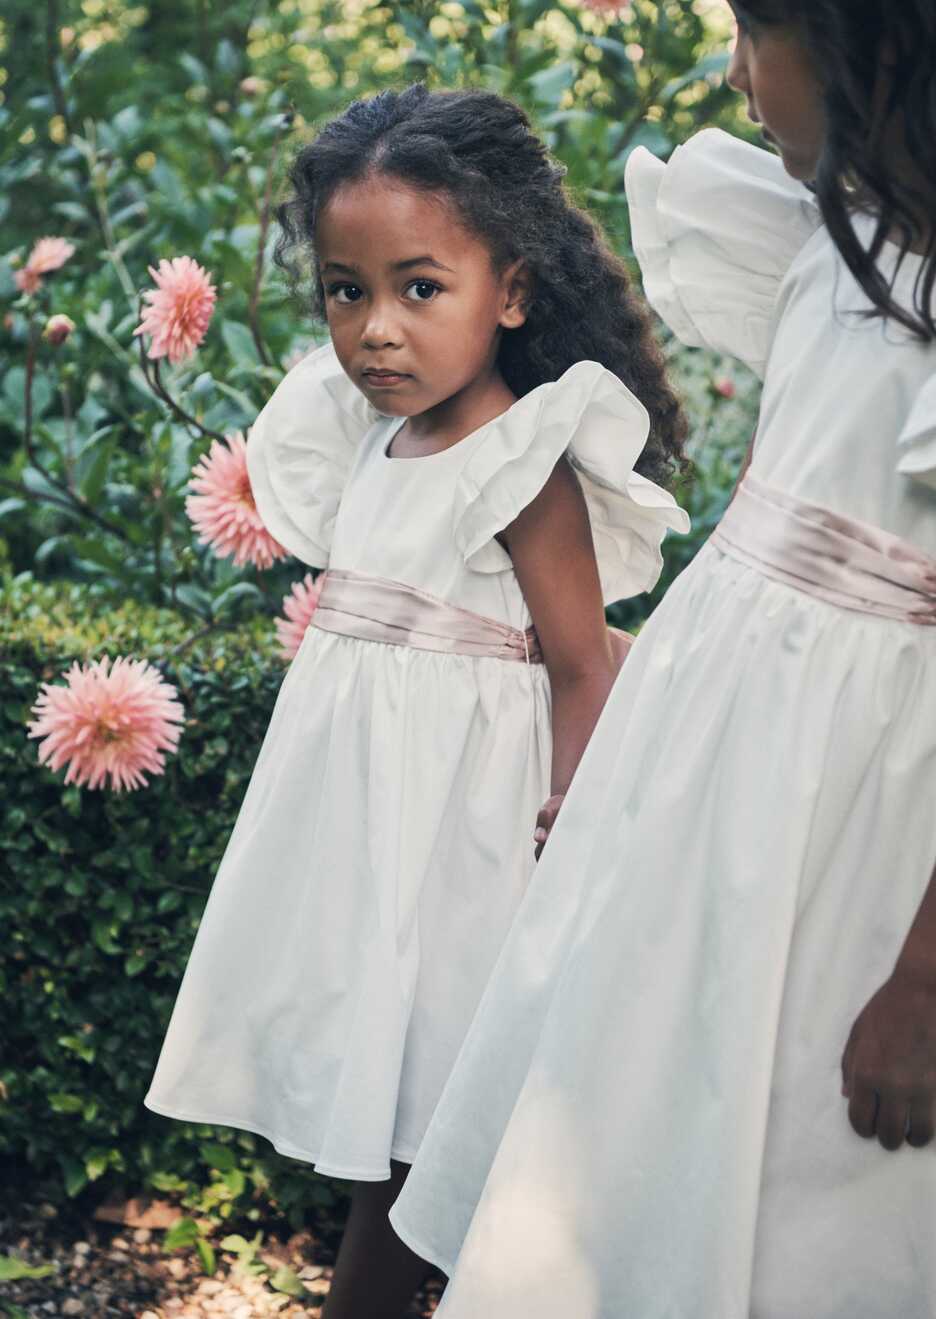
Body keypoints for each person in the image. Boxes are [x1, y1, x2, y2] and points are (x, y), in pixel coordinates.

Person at [389, 6, 936, 1316]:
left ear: (874, 45)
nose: (737, 71)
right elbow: (753, 564)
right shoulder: (839, 238)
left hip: (863, 829)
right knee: (622, 1118)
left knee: (797, 1176)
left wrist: (925, 974)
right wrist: (639, 778)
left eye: (759, 30)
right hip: (707, 803)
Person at [144, 84, 689, 1319]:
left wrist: (571, 824)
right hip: (373, 836)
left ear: (511, 289)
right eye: (349, 289)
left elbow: (581, 660)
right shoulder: (368, 442)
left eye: (418, 287)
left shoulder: (520, 454)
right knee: (386, 1103)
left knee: (426, 1127)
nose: (376, 328)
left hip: (470, 842)